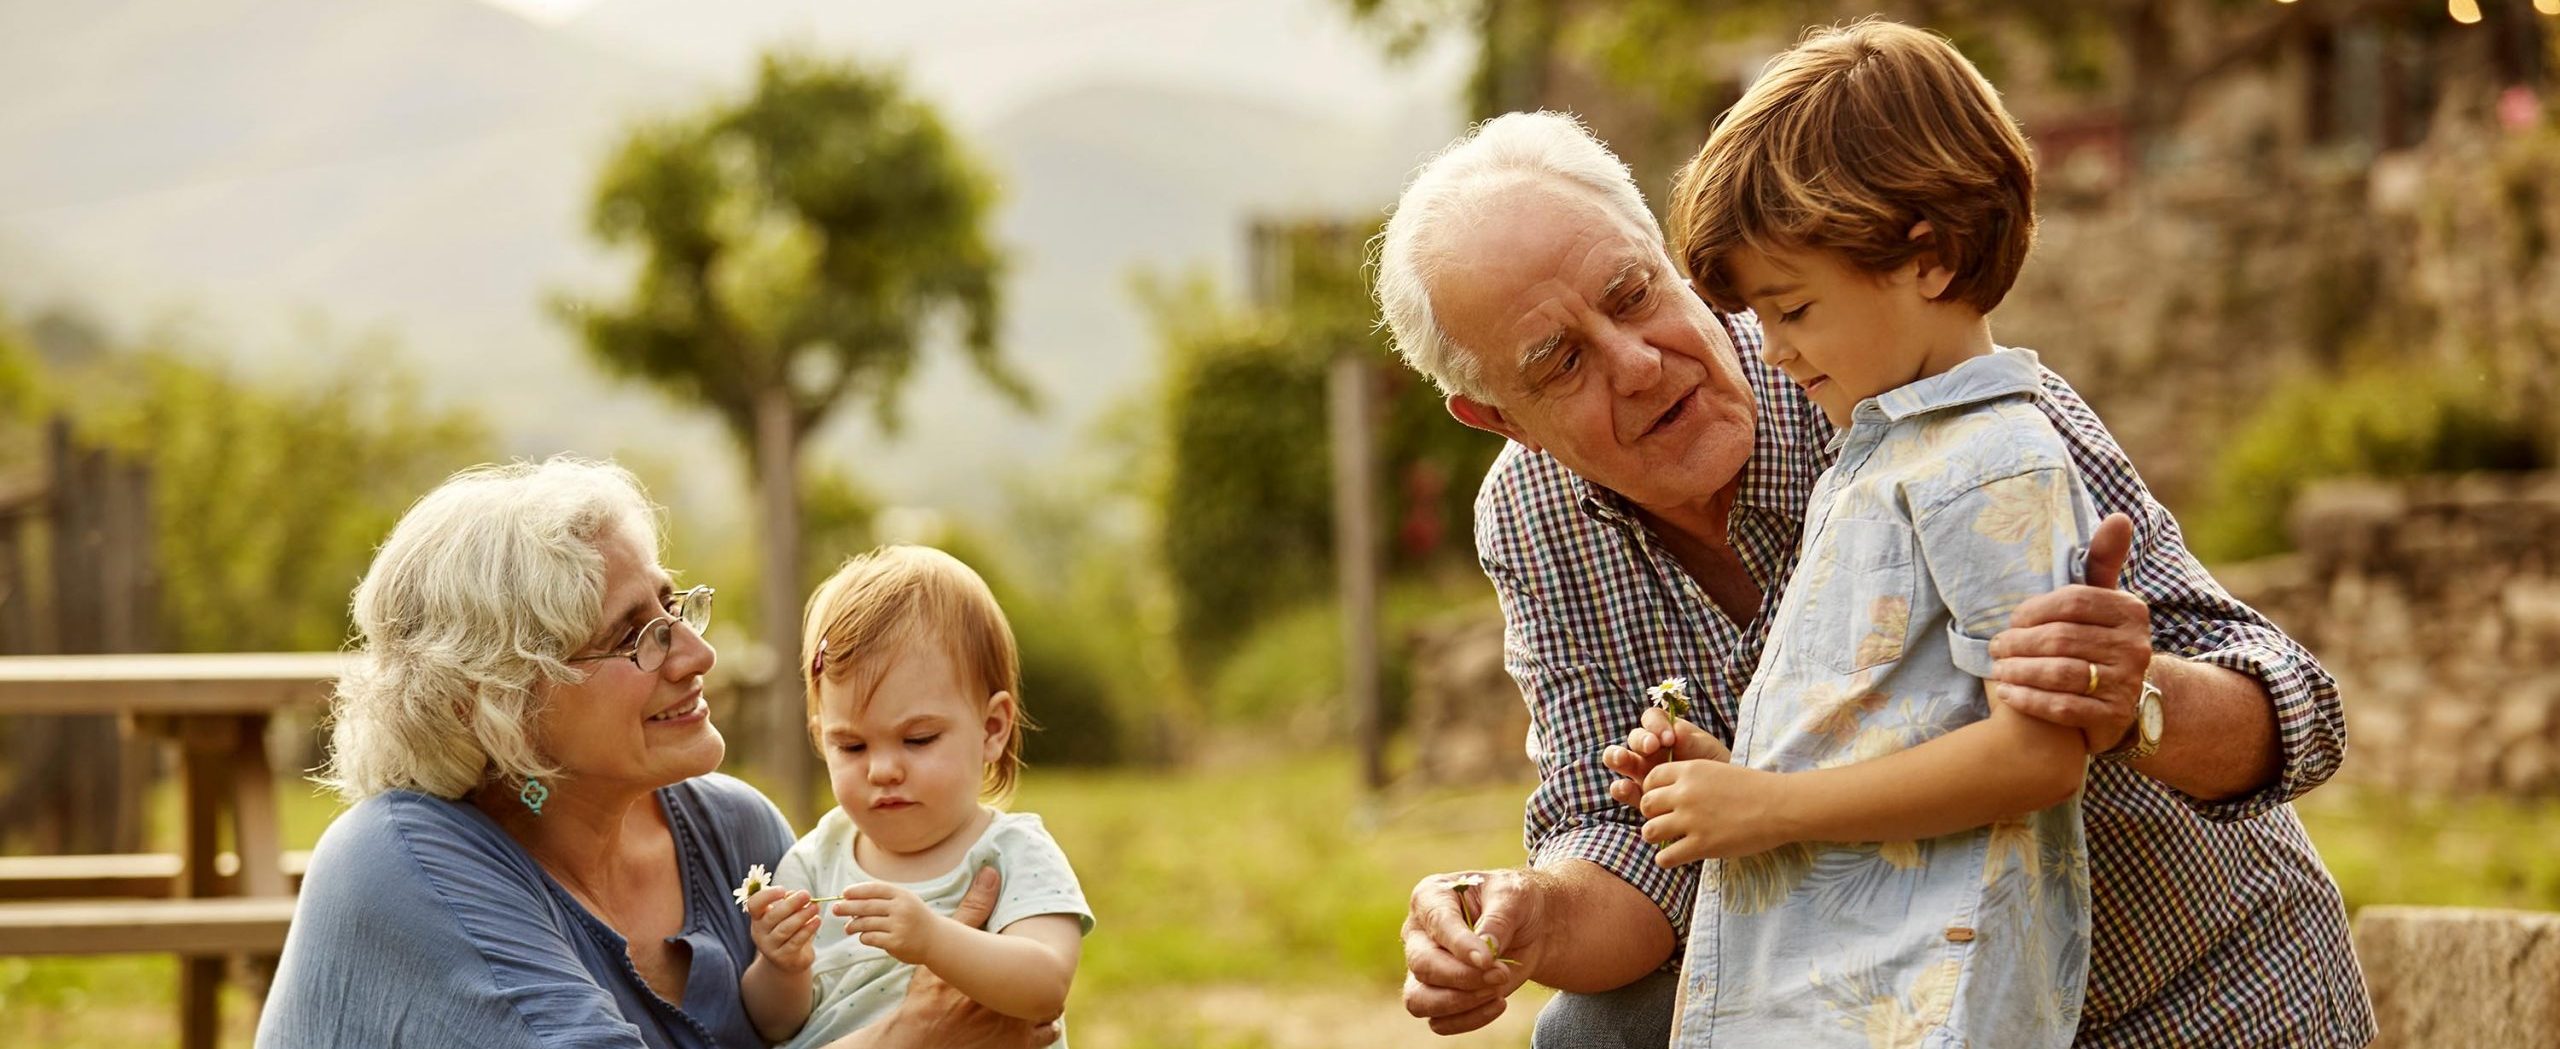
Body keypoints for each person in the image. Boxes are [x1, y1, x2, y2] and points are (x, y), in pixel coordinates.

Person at [1374, 102, 2371, 1049]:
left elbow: (2294, 714)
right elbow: (1626, 839)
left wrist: (2130, 696)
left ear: (1676, 265)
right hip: (1898, 1012)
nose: (1634, 363)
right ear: (1499, 417)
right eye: (1559, 362)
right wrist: (1527, 917)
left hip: (2179, 997)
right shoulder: (1533, 515)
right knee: (1598, 1031)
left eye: (1634, 293)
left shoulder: (1918, 387)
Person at [1614, 20, 2106, 1044]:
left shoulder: (1992, 460)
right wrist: (1732, 770)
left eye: (1791, 308)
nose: (1773, 350)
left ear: (1924, 257)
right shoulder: (1882, 449)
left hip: (1921, 1004)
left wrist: (1764, 809)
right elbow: (1895, 718)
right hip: (1837, 988)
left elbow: (2038, 757)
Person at [256, 458, 1057, 1049]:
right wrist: (913, 1037)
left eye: (675, 607)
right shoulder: (403, 865)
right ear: (502, 700)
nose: (696, 655)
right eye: (635, 635)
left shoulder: (735, 832)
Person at [740, 545, 1093, 1049]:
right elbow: (774, 1025)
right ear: (821, 739)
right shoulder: (816, 860)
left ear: (992, 729)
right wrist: (782, 966)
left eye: (918, 739)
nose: (883, 769)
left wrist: (932, 938)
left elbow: (1046, 984)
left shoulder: (1012, 852)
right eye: (852, 745)